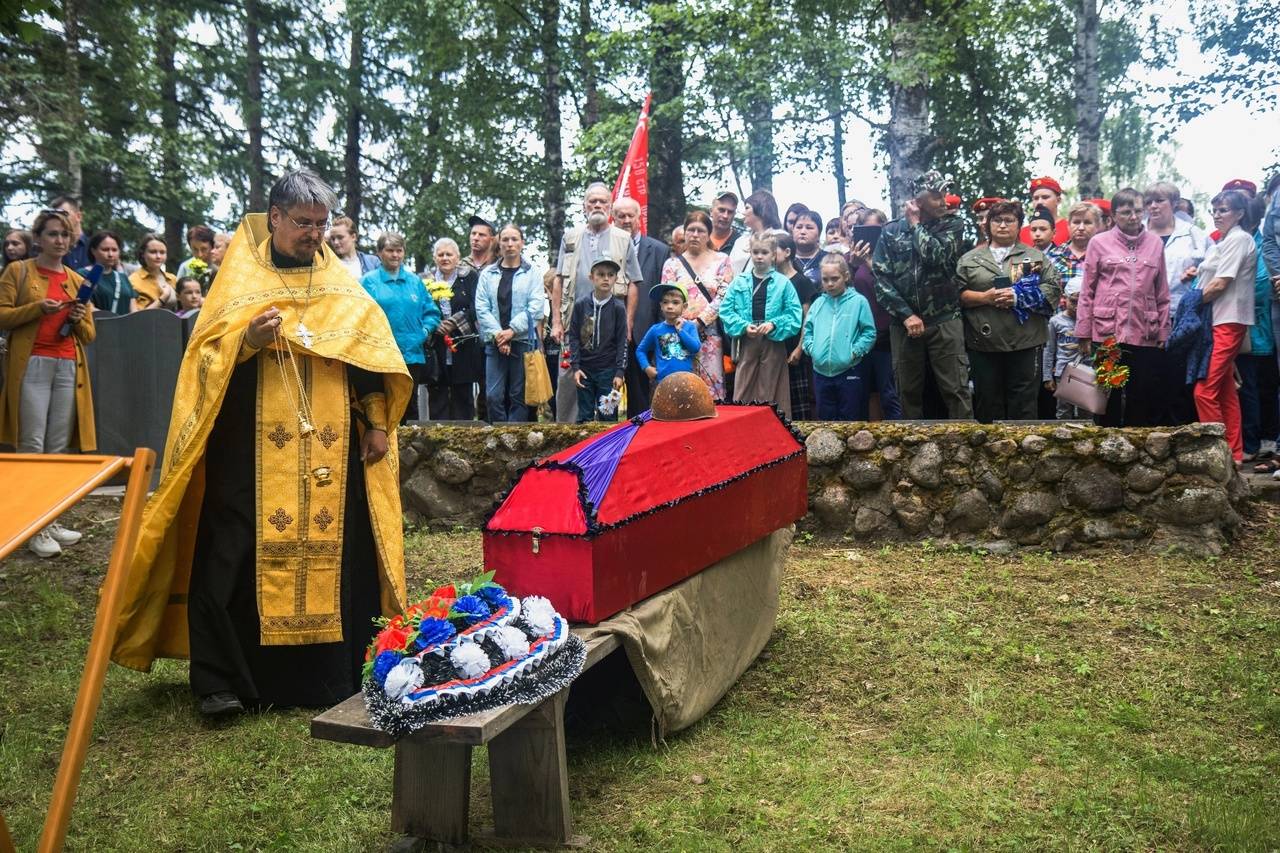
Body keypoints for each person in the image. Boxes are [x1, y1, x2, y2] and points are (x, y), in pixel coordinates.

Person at [109, 168, 412, 716]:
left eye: (321, 224)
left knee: (341, 549)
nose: (314, 234)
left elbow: (368, 358)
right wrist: (245, 341)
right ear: (274, 217)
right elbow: (203, 361)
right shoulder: (239, 279)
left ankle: (332, 676)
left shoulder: (340, 285)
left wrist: (375, 421)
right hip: (248, 447)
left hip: (329, 449)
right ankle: (222, 681)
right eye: (303, 223)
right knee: (231, 547)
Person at [0, 208, 96, 558]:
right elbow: (2, 315)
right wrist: (38, 308)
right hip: (32, 364)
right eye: (52, 233)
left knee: (57, 448)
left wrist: (78, 317)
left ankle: (51, 520)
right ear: (37, 238)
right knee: (32, 444)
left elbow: (89, 334)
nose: (59, 240)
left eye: (65, 235)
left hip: (68, 365)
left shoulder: (76, 278)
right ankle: (31, 526)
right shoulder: (18, 271)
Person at [872, 170, 973, 419]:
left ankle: (966, 439)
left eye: (945, 194)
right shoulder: (891, 231)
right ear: (918, 200)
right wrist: (906, 315)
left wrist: (916, 225)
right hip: (904, 325)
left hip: (944, 320)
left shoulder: (952, 224)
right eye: (937, 196)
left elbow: (935, 256)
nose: (944, 201)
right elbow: (881, 279)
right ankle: (911, 441)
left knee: (956, 390)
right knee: (906, 392)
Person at [956, 200, 1062, 422]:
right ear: (988, 224)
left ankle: (1023, 443)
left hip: (1025, 341)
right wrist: (985, 298)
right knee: (987, 402)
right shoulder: (969, 259)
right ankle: (989, 443)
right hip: (983, 342)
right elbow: (956, 295)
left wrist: (1018, 297)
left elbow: (1053, 289)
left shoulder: (1035, 257)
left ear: (1019, 224)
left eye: (1009, 220)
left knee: (1024, 404)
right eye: (997, 220)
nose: (1003, 225)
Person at [1076, 188, 1172, 428]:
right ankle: (1105, 444)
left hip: (1145, 330)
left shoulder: (1155, 243)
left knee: (1141, 395)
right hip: (1107, 332)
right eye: (1126, 212)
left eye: (1138, 211)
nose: (1134, 217)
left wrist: (1163, 331)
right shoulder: (1098, 243)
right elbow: (1087, 291)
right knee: (1107, 394)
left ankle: (1136, 446)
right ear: (1113, 215)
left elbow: (1162, 292)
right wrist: (1083, 332)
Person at [552, 183, 641, 422]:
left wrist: (628, 323)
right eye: (592, 201)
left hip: (610, 323)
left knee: (607, 379)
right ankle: (568, 434)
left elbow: (634, 282)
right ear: (584, 206)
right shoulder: (570, 237)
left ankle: (605, 435)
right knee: (569, 378)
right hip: (574, 319)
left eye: (603, 201)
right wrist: (556, 321)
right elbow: (558, 279)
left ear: (610, 207)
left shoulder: (623, 238)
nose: (597, 205)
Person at [1190, 189, 1258, 463]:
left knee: (1204, 391)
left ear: (1239, 213)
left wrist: (1191, 303)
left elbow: (1220, 283)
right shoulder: (1225, 240)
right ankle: (1234, 453)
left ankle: (1217, 454)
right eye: (1214, 210)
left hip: (1228, 320)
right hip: (1217, 319)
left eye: (1223, 210)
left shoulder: (1239, 239)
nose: (1217, 215)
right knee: (1225, 391)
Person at [1145, 181, 1210, 425]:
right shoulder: (1137, 232)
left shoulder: (1194, 234)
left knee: (1178, 375)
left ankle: (1179, 429)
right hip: (1145, 315)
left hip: (1182, 314)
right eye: (1149, 201)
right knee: (1150, 375)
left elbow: (1214, 266)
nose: (1153, 206)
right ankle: (1150, 429)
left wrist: (1198, 271)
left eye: (1159, 201)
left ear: (1174, 203)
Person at [360, 232, 441, 423]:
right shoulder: (368, 282)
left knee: (409, 403)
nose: (395, 255)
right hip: (381, 354)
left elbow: (432, 312)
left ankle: (409, 441)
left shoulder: (415, 281)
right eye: (390, 250)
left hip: (412, 353)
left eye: (399, 250)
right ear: (380, 253)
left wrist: (424, 332)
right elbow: (359, 314)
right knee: (381, 402)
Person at [719, 232, 802, 416]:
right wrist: (743, 326)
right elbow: (725, 311)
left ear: (773, 255)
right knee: (743, 387)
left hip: (773, 342)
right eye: (755, 252)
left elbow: (794, 315)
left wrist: (774, 324)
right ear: (750, 253)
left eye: (764, 252)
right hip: (747, 341)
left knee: (771, 388)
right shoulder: (739, 281)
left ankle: (773, 426)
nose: (759, 256)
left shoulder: (783, 283)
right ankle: (742, 424)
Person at [477, 224, 547, 422]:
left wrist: (512, 331)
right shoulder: (487, 274)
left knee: (519, 395)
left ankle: (515, 435)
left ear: (522, 243)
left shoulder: (532, 273)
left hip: (523, 341)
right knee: (493, 395)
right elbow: (481, 307)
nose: (509, 244)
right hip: (495, 342)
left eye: (514, 239)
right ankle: (500, 433)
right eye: (505, 239)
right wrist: (500, 335)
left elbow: (536, 307)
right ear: (498, 243)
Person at [661, 210, 732, 400]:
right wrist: (683, 324)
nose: (695, 235)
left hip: (709, 335)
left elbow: (724, 295)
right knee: (679, 390)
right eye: (691, 230)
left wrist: (700, 321)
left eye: (700, 230)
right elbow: (666, 297)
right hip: (677, 332)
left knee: (710, 392)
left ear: (708, 234)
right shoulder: (672, 264)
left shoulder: (722, 260)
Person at [803, 254, 877, 420]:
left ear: (846, 276)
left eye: (835, 278)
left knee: (850, 417)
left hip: (849, 370)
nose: (830, 284)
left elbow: (869, 332)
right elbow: (808, 329)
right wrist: (812, 349)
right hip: (820, 372)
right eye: (825, 279)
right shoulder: (818, 303)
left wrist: (854, 352)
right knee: (825, 418)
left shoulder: (858, 302)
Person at [613, 195, 668, 416]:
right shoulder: (606, 246)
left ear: (639, 217)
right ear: (613, 218)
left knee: (640, 397)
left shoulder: (659, 250)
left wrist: (660, 333)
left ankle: (639, 433)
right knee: (607, 393)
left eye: (630, 215)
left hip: (644, 332)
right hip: (610, 332)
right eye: (621, 216)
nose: (626, 220)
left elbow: (663, 295)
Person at [425, 237, 482, 420]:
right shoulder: (426, 280)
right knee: (437, 394)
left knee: (463, 396)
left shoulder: (470, 277)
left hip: (463, 344)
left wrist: (454, 322)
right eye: (440, 254)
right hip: (436, 344)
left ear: (457, 257)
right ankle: (436, 433)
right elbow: (421, 308)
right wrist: (436, 324)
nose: (445, 258)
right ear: (434, 258)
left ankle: (465, 433)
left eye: (449, 254)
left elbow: (477, 306)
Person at [848, 229, 902, 420]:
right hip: (858, 338)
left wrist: (871, 263)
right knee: (859, 394)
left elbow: (895, 289)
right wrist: (853, 265)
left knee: (889, 394)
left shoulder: (892, 258)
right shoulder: (850, 260)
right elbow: (838, 288)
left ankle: (898, 433)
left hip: (886, 338)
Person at [568, 256, 628, 422]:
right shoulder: (581, 305)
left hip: (608, 371)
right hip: (584, 370)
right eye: (601, 274)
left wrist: (619, 372)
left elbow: (622, 341)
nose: (606, 278)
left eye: (610, 275)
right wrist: (576, 367)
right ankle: (585, 440)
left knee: (608, 416)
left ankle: (608, 441)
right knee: (584, 416)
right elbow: (573, 337)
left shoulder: (618, 307)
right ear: (591, 277)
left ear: (616, 278)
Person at [776, 233, 819, 419]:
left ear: (787, 252)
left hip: (795, 347)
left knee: (799, 401)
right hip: (775, 346)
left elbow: (807, 318)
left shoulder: (802, 282)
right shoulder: (771, 280)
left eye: (773, 250)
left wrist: (800, 348)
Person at [637, 281, 701, 385]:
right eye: (665, 302)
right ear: (661, 306)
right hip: (664, 383)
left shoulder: (689, 327)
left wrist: (680, 331)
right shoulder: (655, 329)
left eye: (675, 302)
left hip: (687, 382)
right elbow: (640, 350)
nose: (670, 306)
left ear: (684, 306)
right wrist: (646, 367)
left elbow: (695, 348)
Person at [1043, 280, 1083, 419]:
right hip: (1063, 372)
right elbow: (1049, 350)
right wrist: (1047, 376)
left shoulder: (1090, 321)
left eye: (1081, 302)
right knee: (1063, 409)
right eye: (1073, 301)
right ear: (1064, 298)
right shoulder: (1055, 321)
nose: (1077, 306)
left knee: (1086, 410)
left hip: (1087, 371)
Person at [1048, 202, 1101, 294]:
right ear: (1068, 225)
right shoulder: (1052, 257)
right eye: (1076, 222)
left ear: (1097, 227)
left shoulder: (1105, 257)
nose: (1081, 228)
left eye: (1087, 222)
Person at [729, 189, 785, 274]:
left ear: (760, 208)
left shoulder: (779, 237)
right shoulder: (740, 241)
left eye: (747, 208)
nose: (743, 213)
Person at [84, 230, 136, 315]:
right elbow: (87, 307)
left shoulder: (123, 278)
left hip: (125, 323)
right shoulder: (83, 275)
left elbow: (134, 311)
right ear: (93, 251)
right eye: (105, 250)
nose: (110, 254)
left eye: (114, 250)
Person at [129, 234, 177, 310]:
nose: (158, 256)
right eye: (153, 252)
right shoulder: (133, 281)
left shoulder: (172, 279)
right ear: (143, 254)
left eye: (162, 252)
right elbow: (136, 316)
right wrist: (163, 298)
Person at [1019, 177, 1070, 246]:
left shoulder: (1070, 228)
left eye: (1045, 197)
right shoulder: (1022, 233)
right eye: (1036, 198)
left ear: (1058, 200)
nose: (1039, 202)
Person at [326, 216, 379, 281]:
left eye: (340, 237)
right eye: (333, 239)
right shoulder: (330, 265)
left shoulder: (372, 262)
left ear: (353, 237)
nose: (335, 242)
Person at [49, 195, 91, 269]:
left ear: (78, 216)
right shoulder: (49, 247)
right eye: (55, 216)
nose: (59, 219)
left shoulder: (95, 247)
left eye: (64, 214)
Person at [791, 209, 827, 284]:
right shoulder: (785, 259)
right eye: (799, 227)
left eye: (809, 228)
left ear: (819, 233)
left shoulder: (828, 259)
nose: (802, 232)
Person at [708, 189, 742, 254]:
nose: (725, 216)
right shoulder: (699, 238)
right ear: (711, 211)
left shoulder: (740, 244)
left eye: (730, 212)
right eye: (721, 210)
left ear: (734, 215)